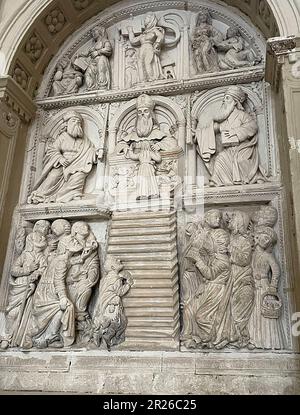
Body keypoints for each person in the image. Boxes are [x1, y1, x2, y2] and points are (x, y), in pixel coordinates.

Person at [195, 85, 266, 186]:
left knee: (238, 160)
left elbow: (252, 127)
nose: (224, 101)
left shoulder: (243, 115)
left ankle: (249, 177)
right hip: (228, 150)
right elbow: (215, 128)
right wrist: (198, 134)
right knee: (220, 158)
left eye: (227, 98)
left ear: (235, 102)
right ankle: (217, 181)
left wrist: (234, 132)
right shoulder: (225, 119)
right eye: (224, 98)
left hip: (243, 148)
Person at [28, 110, 98, 204]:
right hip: (62, 164)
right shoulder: (62, 137)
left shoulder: (84, 139)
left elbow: (90, 149)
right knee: (53, 176)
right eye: (73, 121)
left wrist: (96, 152)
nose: (77, 123)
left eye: (79, 122)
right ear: (67, 124)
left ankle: (73, 194)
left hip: (78, 163)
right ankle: (41, 195)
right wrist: (60, 159)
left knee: (79, 176)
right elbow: (52, 150)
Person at [26, 236, 84, 349]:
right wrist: (63, 297)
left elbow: (70, 262)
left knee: (61, 310)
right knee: (67, 307)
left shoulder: (61, 258)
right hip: (48, 294)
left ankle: (49, 336)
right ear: (66, 247)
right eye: (73, 241)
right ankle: (47, 336)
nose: (76, 241)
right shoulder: (62, 261)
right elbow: (58, 280)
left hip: (45, 291)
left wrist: (83, 256)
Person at [0, 234, 47, 349]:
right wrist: (28, 269)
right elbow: (13, 271)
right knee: (11, 313)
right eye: (39, 237)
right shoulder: (24, 255)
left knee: (27, 314)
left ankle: (20, 337)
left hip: (31, 287)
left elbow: (44, 268)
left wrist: (36, 273)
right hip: (19, 286)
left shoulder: (42, 256)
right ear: (31, 241)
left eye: (42, 237)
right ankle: (6, 337)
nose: (42, 238)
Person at [248, 226, 286, 349]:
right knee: (254, 312)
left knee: (265, 311)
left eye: (268, 239)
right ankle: (254, 340)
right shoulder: (251, 254)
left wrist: (273, 286)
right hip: (251, 285)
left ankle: (270, 342)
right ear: (257, 238)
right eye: (264, 237)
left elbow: (276, 270)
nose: (266, 241)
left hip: (264, 286)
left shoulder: (267, 256)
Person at [93, 256, 133, 350]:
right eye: (116, 261)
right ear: (113, 268)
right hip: (112, 306)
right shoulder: (116, 279)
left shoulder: (104, 279)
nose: (119, 260)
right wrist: (128, 284)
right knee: (117, 323)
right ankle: (105, 338)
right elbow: (120, 292)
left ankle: (100, 334)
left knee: (110, 321)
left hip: (105, 305)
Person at [66, 222, 100, 322]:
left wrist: (91, 275)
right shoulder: (69, 242)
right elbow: (62, 260)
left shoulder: (90, 245)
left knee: (86, 289)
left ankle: (80, 313)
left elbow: (94, 261)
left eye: (87, 226)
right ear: (75, 229)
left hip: (84, 277)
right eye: (83, 226)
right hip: (71, 276)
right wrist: (81, 258)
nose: (86, 227)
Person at [127, 13, 165, 82]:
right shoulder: (143, 34)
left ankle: (152, 78)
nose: (145, 19)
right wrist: (130, 31)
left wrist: (157, 44)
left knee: (148, 62)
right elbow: (133, 40)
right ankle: (143, 79)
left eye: (147, 18)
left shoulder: (154, 30)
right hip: (142, 49)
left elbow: (160, 36)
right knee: (140, 63)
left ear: (151, 20)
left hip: (149, 47)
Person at [80, 25, 112, 90]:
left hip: (101, 59)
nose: (93, 33)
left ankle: (102, 86)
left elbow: (108, 49)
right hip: (93, 62)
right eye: (92, 32)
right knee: (87, 74)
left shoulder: (104, 40)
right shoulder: (94, 44)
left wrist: (98, 52)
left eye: (95, 31)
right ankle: (91, 87)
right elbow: (87, 54)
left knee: (101, 72)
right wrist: (80, 55)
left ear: (100, 31)